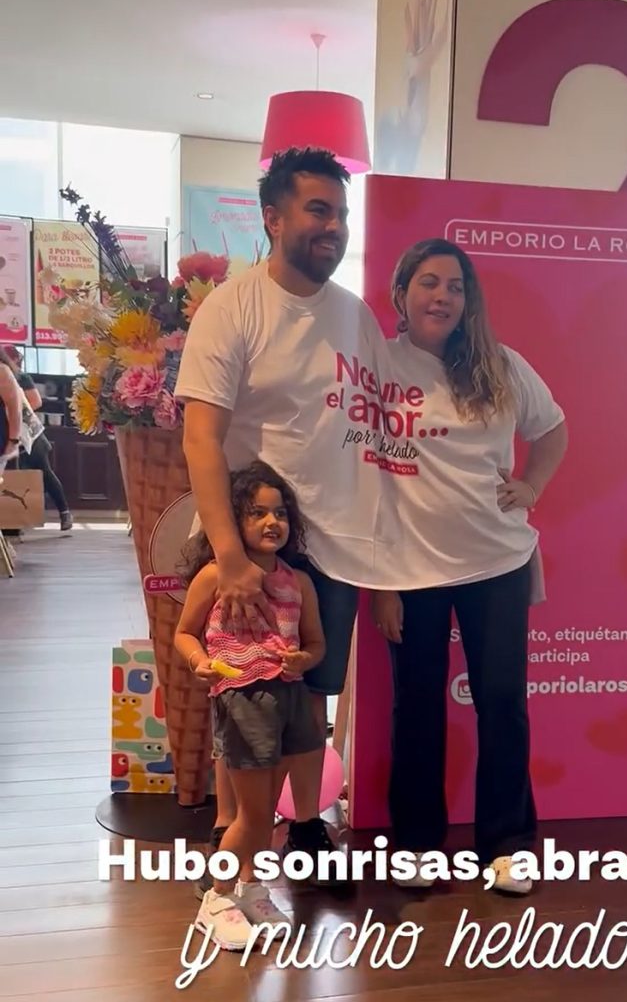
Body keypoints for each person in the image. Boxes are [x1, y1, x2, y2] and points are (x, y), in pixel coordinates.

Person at [174, 147, 385, 884]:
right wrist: (230, 556)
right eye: (317, 210)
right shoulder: (233, 307)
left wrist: (380, 559)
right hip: (250, 543)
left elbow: (378, 432)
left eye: (341, 214)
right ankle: (235, 843)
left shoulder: (355, 316)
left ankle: (302, 828)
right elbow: (199, 436)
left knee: (305, 694)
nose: (334, 227)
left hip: (331, 545)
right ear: (272, 217)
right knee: (245, 694)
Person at [370, 238, 568, 894]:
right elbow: (361, 476)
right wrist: (382, 585)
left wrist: (530, 487)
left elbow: (552, 430)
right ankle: (419, 845)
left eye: (454, 286)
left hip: (497, 560)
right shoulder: (376, 366)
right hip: (412, 570)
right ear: (401, 294)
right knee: (417, 707)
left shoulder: (500, 366)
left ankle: (507, 844)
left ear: (467, 300)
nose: (442, 296)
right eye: (428, 283)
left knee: (503, 702)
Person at [175, 460, 326, 950]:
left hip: (291, 699)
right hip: (243, 698)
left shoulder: (298, 582)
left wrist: (305, 657)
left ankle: (252, 888)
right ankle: (215, 899)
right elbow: (184, 634)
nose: (271, 523)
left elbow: (317, 644)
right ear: (232, 520)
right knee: (254, 816)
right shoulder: (214, 576)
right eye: (257, 513)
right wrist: (200, 661)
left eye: (280, 513)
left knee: (266, 815)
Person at [0, 346, 72, 530]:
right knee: (12, 478)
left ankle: (64, 512)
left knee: (45, 474)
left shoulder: (19, 377)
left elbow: (35, 401)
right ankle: (13, 523)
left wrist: (14, 412)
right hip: (10, 434)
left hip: (28, 435)